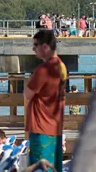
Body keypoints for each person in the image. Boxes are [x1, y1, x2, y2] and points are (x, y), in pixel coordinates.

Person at [24, 30, 66, 171]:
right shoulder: (61, 66)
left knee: (40, 166)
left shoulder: (43, 69)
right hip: (55, 126)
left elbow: (27, 94)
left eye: (36, 45)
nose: (33, 48)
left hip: (41, 126)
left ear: (45, 47)